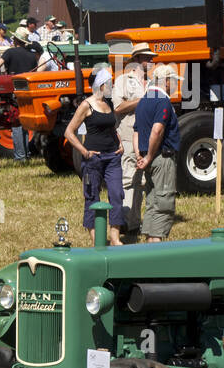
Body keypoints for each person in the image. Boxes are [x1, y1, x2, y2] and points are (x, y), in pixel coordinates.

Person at [63, 68, 124, 245]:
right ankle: (96, 238)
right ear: (101, 84)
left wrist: (119, 142)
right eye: (110, 84)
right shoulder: (86, 105)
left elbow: (111, 127)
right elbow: (69, 132)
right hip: (93, 159)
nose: (112, 87)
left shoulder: (109, 103)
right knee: (92, 196)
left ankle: (114, 237)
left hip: (112, 157)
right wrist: (84, 152)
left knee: (117, 193)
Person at [131, 65, 181, 242]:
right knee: (164, 201)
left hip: (147, 157)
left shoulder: (144, 100)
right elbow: (157, 130)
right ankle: (156, 244)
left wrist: (140, 155)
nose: (175, 85)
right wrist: (150, 156)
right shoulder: (162, 101)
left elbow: (136, 131)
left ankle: (149, 243)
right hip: (161, 157)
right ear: (166, 82)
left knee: (152, 199)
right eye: (174, 81)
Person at [112, 43, 155, 238]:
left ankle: (135, 222)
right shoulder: (123, 80)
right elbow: (118, 107)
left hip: (148, 137)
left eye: (151, 57)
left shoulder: (153, 81)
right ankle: (125, 222)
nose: (151, 60)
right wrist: (143, 100)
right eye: (147, 57)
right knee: (129, 179)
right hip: (129, 136)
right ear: (137, 59)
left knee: (142, 181)